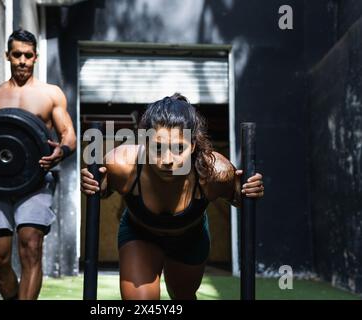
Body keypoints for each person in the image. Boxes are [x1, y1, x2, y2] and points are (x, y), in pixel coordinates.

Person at [81, 93, 264, 300]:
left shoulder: (215, 172)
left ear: (193, 145)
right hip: (140, 235)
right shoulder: (122, 165)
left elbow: (238, 198)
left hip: (190, 238)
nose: (168, 160)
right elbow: (102, 190)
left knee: (183, 297)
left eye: (179, 148)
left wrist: (247, 191)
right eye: (157, 148)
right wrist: (97, 185)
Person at [0, 29, 76, 300]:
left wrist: (62, 151)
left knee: (31, 246)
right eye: (17, 54)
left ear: (36, 57)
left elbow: (69, 134)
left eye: (28, 55)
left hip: (35, 182)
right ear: (7, 56)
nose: (22, 60)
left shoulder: (50, 94)